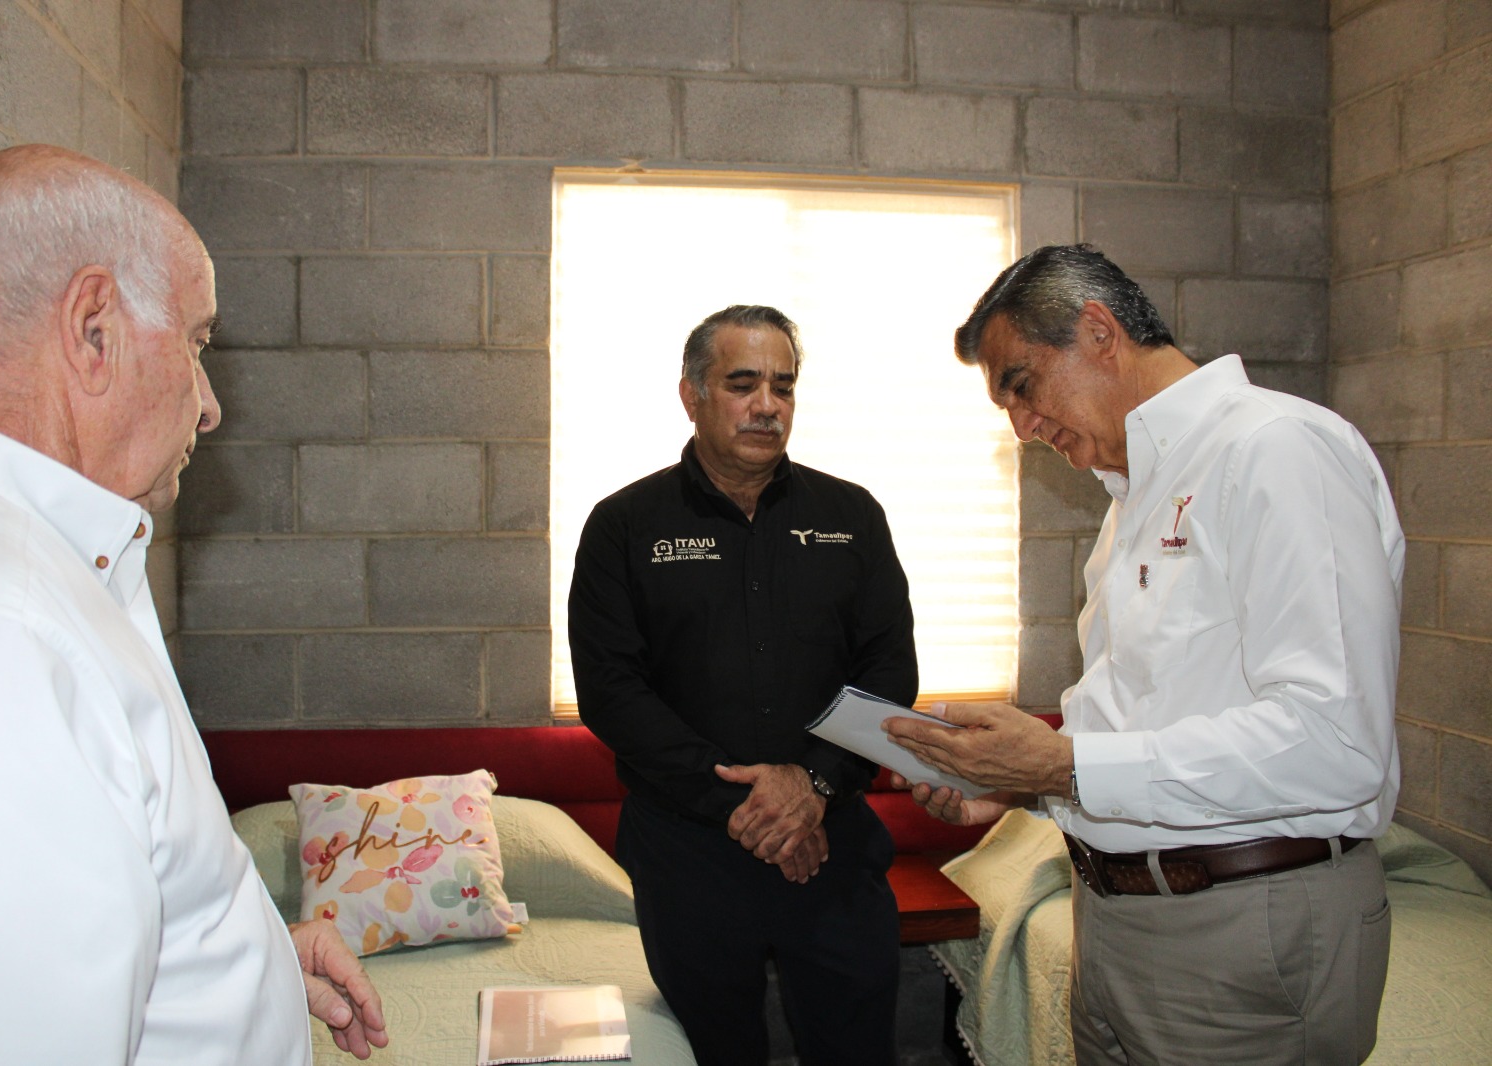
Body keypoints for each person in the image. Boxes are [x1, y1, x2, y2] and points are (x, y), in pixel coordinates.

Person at [0, 145, 387, 1064]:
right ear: (93, 330)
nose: (209, 406)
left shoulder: (6, 558)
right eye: (196, 345)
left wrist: (249, 964)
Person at [885, 244, 1404, 1065]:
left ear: (1099, 331)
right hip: (1117, 920)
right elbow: (1152, 718)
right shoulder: (1133, 497)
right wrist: (1022, 789)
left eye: (1022, 386)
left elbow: (1334, 743)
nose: (1022, 426)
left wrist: (1064, 767)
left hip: (1242, 922)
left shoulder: (1276, 448)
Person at [568, 305, 917, 1065]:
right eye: (743, 384)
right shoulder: (624, 525)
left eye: (783, 386)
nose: (767, 405)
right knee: (713, 1054)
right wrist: (749, 805)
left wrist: (812, 788)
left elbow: (889, 672)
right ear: (691, 396)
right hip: (688, 856)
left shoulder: (851, 516)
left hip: (831, 844)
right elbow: (612, 692)